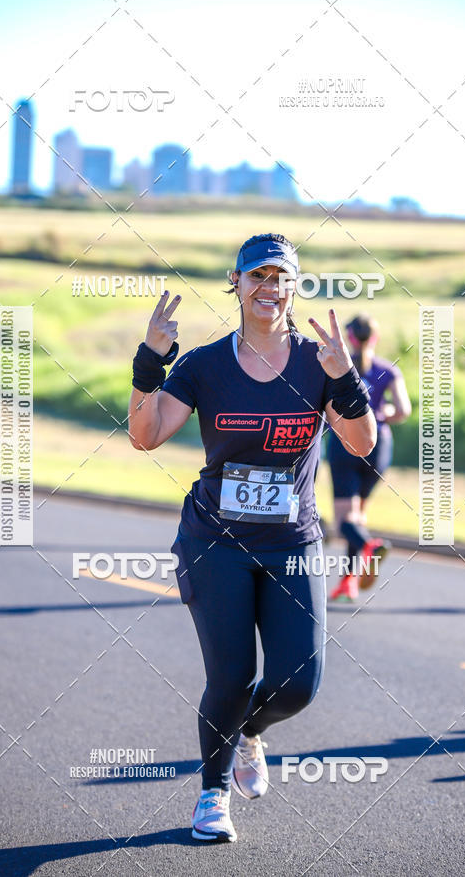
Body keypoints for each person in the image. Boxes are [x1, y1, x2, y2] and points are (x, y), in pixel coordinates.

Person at [128, 234, 377, 843]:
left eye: (280, 277)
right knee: (232, 675)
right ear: (235, 285)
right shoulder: (204, 365)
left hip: (292, 543)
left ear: (294, 287)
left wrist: (343, 378)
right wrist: (148, 365)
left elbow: (362, 443)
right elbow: (146, 435)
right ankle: (212, 796)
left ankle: (249, 732)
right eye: (256, 276)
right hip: (216, 541)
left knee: (299, 682)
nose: (269, 288)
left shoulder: (315, 363)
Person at [326, 312, 412, 602]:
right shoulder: (388, 370)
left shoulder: (337, 367)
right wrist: (381, 412)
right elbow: (403, 410)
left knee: (344, 522)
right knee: (357, 515)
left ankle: (370, 545)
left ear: (349, 337)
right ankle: (347, 583)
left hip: (344, 443)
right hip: (379, 447)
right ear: (374, 338)